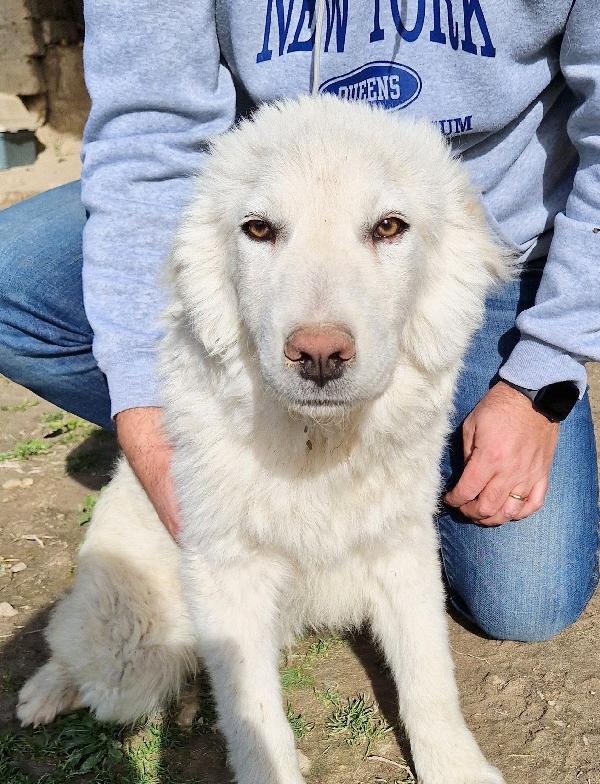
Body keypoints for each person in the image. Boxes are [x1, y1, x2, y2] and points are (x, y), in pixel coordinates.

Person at [0, 1, 598, 641]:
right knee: (14, 281)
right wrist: (156, 423)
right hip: (265, 227)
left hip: (466, 254)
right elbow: (150, 137)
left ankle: (371, 467)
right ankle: (286, 450)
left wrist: (539, 380)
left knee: (525, 595)